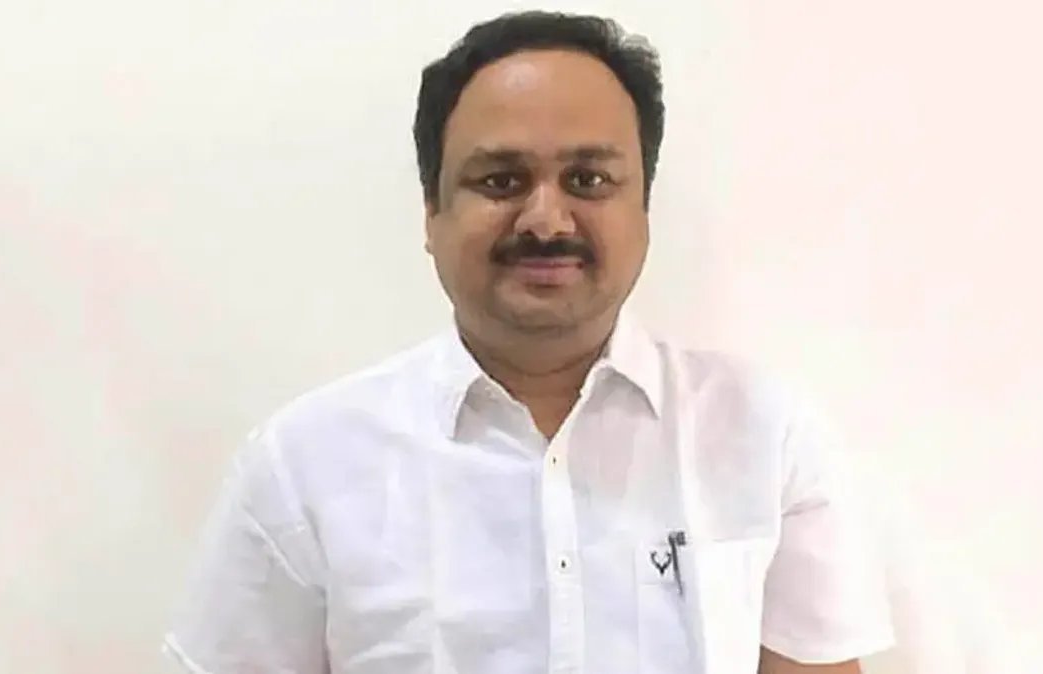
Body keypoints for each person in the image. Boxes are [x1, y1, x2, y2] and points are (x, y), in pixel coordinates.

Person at [163, 11, 893, 674]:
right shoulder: (303, 468)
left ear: (643, 208)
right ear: (431, 213)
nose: (546, 220)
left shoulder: (766, 436)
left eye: (588, 179)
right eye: (501, 180)